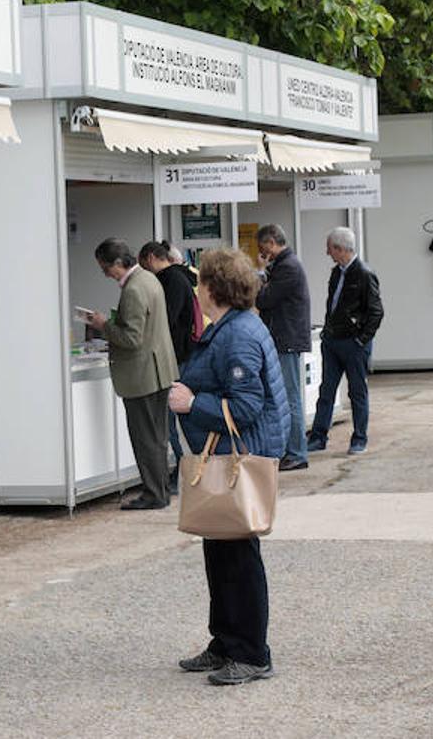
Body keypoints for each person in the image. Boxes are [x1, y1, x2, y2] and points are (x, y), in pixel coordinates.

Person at [166, 248, 288, 687]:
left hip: (238, 459)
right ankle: (225, 642)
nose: (196, 289)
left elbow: (248, 405)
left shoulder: (237, 335)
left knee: (238, 557)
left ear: (214, 289)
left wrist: (190, 402)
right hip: (226, 457)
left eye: (200, 283)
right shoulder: (233, 327)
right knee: (220, 551)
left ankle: (252, 653)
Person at [86, 238, 179, 510]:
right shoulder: (150, 279)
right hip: (158, 369)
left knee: (145, 438)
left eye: (105, 268)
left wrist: (104, 325)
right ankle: (160, 490)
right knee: (158, 437)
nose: (105, 274)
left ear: (117, 263)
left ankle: (154, 493)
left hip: (141, 375)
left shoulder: (134, 289)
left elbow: (132, 338)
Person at [306, 227, 383, 455]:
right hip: (333, 341)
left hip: (353, 344)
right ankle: (318, 437)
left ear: (340, 249)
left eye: (330, 248)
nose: (327, 252)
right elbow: (333, 305)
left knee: (357, 392)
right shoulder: (337, 272)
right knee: (326, 390)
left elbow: (376, 312)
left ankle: (359, 438)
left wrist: (361, 340)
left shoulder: (364, 274)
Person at [138, 239, 196, 490]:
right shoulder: (184, 276)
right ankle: (183, 468)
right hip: (184, 354)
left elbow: (166, 321)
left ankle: (182, 470)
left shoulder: (170, 281)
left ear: (151, 258)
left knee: (170, 416)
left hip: (176, 357)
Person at [254, 224, 312, 472]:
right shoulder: (285, 265)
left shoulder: (288, 267)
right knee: (288, 397)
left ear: (271, 243)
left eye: (262, 246)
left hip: (286, 339)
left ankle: (297, 452)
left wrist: (258, 272)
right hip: (285, 337)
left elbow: (264, 299)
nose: (261, 251)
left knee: (290, 398)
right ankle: (293, 450)